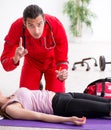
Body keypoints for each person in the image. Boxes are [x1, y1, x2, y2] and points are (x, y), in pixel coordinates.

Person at [0, 4, 68, 92]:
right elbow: (5, 64)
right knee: (25, 96)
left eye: (39, 24)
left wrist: (62, 69)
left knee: (57, 99)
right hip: (31, 62)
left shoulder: (55, 24)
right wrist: (15, 59)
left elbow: (62, 52)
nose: (36, 31)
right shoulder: (16, 27)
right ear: (24, 23)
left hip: (53, 62)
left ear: (44, 20)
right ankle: (36, 83)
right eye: (31, 25)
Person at [1, 87, 111, 126]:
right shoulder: (11, 109)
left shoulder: (10, 96)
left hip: (64, 95)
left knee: (109, 102)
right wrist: (69, 119)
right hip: (61, 106)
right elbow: (40, 116)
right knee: (108, 109)